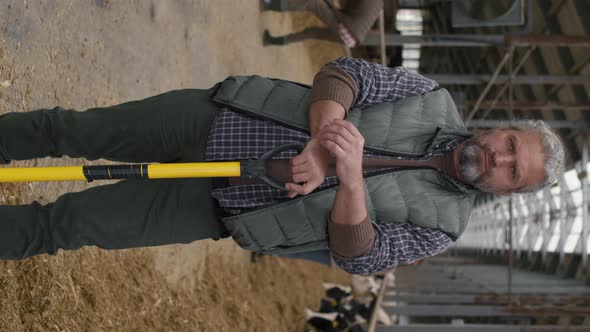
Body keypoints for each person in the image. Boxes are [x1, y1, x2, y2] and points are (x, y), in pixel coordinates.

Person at [0, 57, 565, 275]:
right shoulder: (431, 96)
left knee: (68, 228)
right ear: (503, 128)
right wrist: (324, 140)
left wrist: (348, 179)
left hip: (220, 205)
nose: (501, 157)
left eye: (514, 169)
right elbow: (346, 74)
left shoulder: (445, 226)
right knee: (70, 129)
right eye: (512, 143)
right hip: (219, 119)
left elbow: (359, 255)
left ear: (507, 190)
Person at [262, 0, 383, 48]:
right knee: (312, 32)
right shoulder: (379, 4)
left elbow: (343, 16)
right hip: (352, 40)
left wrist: (328, 4)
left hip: (347, 28)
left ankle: (270, 5)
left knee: (311, 4)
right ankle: (273, 41)